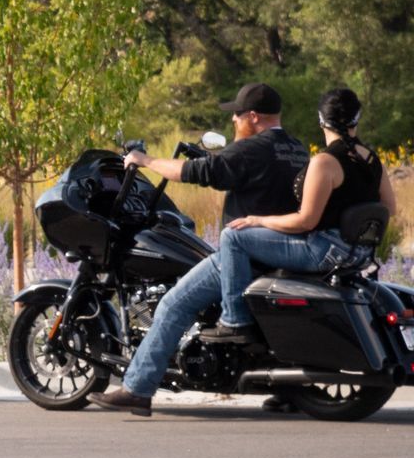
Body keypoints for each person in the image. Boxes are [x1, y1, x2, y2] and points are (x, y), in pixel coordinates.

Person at [91, 82, 312, 415]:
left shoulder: (251, 148)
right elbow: (241, 170)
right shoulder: (296, 148)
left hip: (244, 254)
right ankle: (285, 390)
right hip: (281, 250)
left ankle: (137, 388)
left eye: (237, 114)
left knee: (172, 305)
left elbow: (195, 172)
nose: (233, 120)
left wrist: (144, 159)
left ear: (253, 116)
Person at [208, 88, 397, 340]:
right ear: (357, 118)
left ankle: (234, 321)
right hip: (360, 255)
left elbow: (306, 221)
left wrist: (258, 220)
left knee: (233, 237)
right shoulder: (372, 160)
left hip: (323, 251)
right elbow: (390, 208)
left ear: (321, 120)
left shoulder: (325, 162)